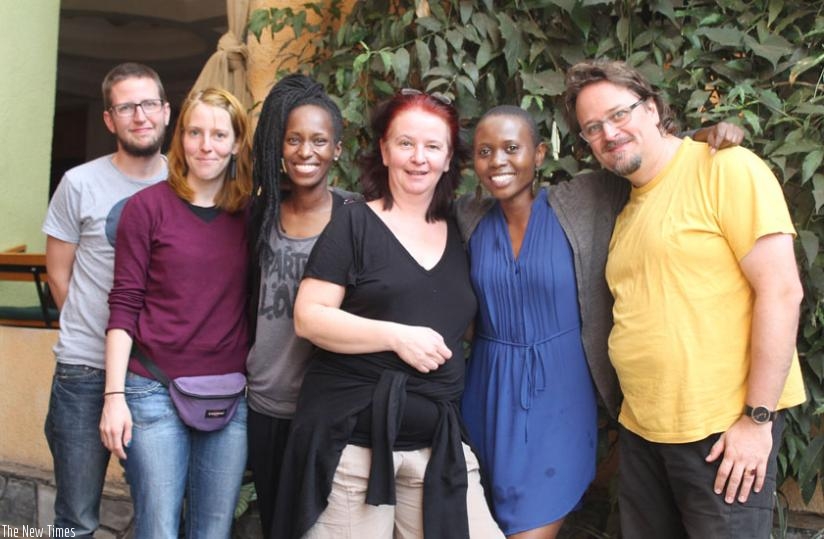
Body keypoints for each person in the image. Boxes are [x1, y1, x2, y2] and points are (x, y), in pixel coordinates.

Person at [456, 106, 744, 539]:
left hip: (561, 393)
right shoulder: (466, 217)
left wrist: (707, 133)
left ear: (539, 154)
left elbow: (648, 157)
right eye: (485, 151)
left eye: (512, 148)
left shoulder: (584, 199)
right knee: (485, 520)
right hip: (488, 390)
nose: (498, 161)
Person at [563, 59, 806, 538]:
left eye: (619, 114)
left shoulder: (725, 167)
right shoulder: (625, 205)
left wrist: (757, 420)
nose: (609, 133)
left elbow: (781, 290)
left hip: (721, 433)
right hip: (643, 432)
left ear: (652, 109)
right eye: (593, 128)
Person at [274, 90, 504, 539]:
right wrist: (397, 336)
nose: (418, 158)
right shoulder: (354, 223)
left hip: (436, 441)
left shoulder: (462, 228)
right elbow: (310, 317)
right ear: (384, 150)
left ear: (447, 158)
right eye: (405, 144)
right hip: (354, 446)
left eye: (432, 146)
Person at [98, 87, 253, 539]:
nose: (206, 145)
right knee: (159, 529)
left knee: (213, 531)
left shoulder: (252, 214)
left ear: (237, 142)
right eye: (195, 132)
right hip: (153, 389)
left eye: (220, 134)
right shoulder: (146, 209)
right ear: (180, 137)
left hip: (229, 393)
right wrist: (113, 397)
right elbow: (124, 304)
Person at [42, 62, 170, 538]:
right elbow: (59, 274)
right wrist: (87, 328)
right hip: (85, 369)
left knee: (159, 513)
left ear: (166, 112)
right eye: (126, 106)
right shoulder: (79, 183)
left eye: (149, 104)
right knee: (73, 518)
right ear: (109, 119)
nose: (140, 116)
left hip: (159, 374)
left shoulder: (185, 181)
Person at [246, 73, 355, 539]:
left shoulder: (356, 217)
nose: (305, 151)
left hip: (326, 407)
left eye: (318, 140)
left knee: (321, 527)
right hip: (264, 401)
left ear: (337, 149)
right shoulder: (260, 213)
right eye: (294, 139)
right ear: (280, 145)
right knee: (276, 523)